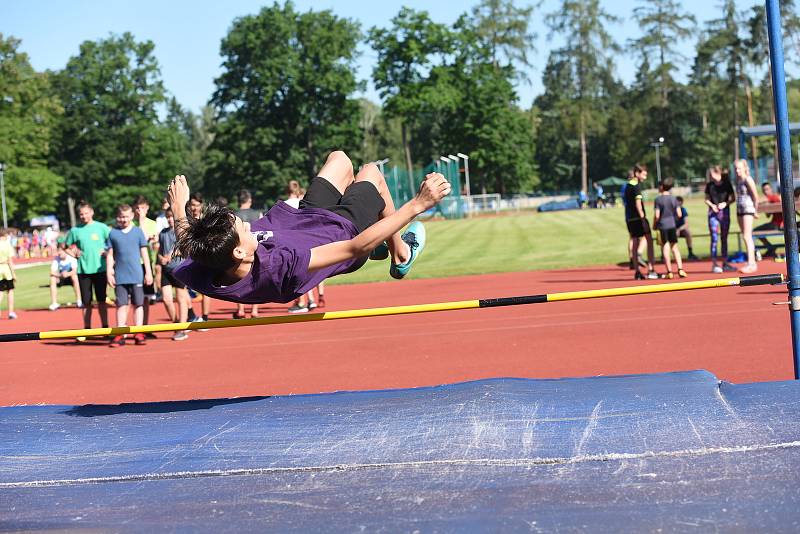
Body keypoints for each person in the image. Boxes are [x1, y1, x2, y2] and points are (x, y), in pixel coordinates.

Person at [169, 150, 449, 304]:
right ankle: (400, 253)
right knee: (371, 173)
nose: (247, 224)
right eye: (243, 229)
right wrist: (418, 204)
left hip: (305, 218)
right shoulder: (278, 267)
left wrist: (178, 209)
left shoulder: (208, 262)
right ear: (240, 253)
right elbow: (355, 247)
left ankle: (380, 231)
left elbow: (188, 244)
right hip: (343, 232)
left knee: (339, 159)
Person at [106, 204, 153, 347]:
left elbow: (144, 253)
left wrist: (148, 272)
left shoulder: (138, 232)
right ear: (117, 217)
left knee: (138, 304)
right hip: (120, 275)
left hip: (136, 274)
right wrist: (109, 271)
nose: (123, 220)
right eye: (121, 217)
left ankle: (139, 332)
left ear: (132, 216)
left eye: (126, 217)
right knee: (121, 304)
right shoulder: (113, 233)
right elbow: (110, 254)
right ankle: (120, 333)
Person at [65, 201, 111, 333]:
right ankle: (87, 329)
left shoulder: (102, 227)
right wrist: (73, 253)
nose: (84, 216)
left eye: (86, 213)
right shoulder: (75, 230)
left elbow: (112, 243)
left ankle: (105, 327)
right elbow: (65, 247)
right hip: (83, 271)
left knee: (102, 300)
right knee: (86, 302)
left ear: (92, 212)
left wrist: (107, 253)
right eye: (81, 214)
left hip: (100, 269)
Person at [158, 207, 191, 341]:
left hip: (179, 268)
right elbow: (160, 250)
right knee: (166, 299)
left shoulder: (182, 232)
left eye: (172, 217)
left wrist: (172, 254)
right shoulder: (163, 233)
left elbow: (185, 248)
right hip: (166, 270)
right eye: (168, 217)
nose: (170, 220)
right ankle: (177, 322)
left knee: (181, 298)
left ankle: (182, 329)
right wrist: (160, 258)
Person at [624, 163, 658, 280]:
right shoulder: (636, 186)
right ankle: (651, 269)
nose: (645, 177)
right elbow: (638, 204)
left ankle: (637, 271)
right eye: (644, 174)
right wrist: (643, 218)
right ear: (637, 173)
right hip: (638, 218)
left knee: (634, 241)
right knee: (649, 241)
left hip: (630, 218)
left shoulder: (628, 185)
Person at [234, 189, 264, 319]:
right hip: (254, 248)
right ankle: (254, 310)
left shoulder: (234, 215)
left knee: (238, 279)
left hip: (239, 249)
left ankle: (241, 310)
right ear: (249, 200)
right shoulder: (257, 214)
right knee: (256, 277)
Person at [132, 196, 159, 334]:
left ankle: (145, 327)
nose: (140, 211)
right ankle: (136, 328)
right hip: (132, 265)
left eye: (142, 208)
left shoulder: (152, 224)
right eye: (137, 208)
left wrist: (142, 221)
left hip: (146, 264)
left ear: (147, 208)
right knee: (135, 299)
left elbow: (145, 239)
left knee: (146, 298)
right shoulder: (129, 224)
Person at [653, 177, 687, 279]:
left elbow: (657, 215)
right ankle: (680, 269)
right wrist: (673, 220)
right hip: (672, 225)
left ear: (662, 187)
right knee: (675, 248)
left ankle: (669, 271)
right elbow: (679, 214)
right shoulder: (674, 199)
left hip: (663, 226)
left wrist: (654, 224)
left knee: (665, 247)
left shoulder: (658, 200)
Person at [704, 166, 736, 273]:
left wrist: (725, 204)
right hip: (713, 213)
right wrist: (712, 205)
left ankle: (725, 262)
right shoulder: (710, 185)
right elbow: (706, 199)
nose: (711, 176)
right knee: (714, 238)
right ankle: (714, 263)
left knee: (724, 238)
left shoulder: (727, 184)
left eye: (712, 174)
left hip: (724, 213)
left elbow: (733, 198)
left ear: (718, 173)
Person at [735, 159, 760, 274]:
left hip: (748, 209)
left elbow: (755, 196)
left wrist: (755, 210)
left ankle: (752, 263)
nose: (737, 170)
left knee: (746, 236)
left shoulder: (748, 179)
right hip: (739, 209)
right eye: (735, 168)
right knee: (744, 235)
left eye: (739, 168)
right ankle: (750, 261)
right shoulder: (738, 180)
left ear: (745, 168)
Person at [49, 242, 81, 310]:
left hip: (70, 277)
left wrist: (67, 274)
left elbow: (75, 271)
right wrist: (60, 275)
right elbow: (51, 272)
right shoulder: (56, 259)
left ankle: (79, 301)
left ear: (65, 251)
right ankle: (54, 303)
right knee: (52, 278)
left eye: (61, 251)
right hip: (61, 278)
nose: (59, 253)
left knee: (74, 277)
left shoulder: (71, 258)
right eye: (58, 251)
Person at [755, 182, 783, 257]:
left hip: (777, 225)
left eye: (767, 189)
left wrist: (756, 201)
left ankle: (770, 248)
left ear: (771, 189)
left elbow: (759, 200)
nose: (765, 191)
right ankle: (770, 248)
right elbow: (768, 215)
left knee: (755, 231)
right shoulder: (772, 199)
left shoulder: (773, 196)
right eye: (764, 190)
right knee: (755, 231)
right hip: (775, 223)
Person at [0, 229, 17, 319]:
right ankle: (11, 312)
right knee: (10, 291)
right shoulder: (7, 244)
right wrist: (14, 274)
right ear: (5, 235)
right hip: (6, 270)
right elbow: (10, 261)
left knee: (0, 292)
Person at [674, 196, 698, 260]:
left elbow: (686, 224)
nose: (678, 204)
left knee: (688, 233)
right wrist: (675, 230)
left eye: (680, 202)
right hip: (673, 229)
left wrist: (679, 229)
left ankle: (690, 253)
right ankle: (674, 254)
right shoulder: (672, 210)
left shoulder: (683, 210)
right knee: (673, 234)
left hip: (681, 229)